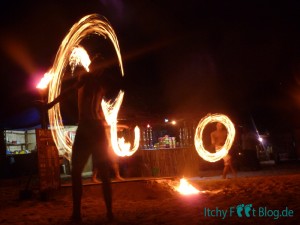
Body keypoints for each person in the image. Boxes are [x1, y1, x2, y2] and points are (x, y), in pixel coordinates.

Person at [47, 55, 115, 222]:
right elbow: (94, 105)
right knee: (99, 174)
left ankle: (79, 213)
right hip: (95, 128)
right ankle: (108, 213)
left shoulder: (87, 78)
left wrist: (50, 104)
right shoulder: (100, 83)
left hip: (87, 128)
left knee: (79, 172)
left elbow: (70, 92)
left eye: (99, 66)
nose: (96, 68)